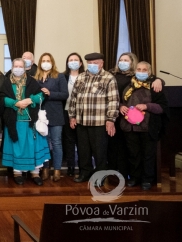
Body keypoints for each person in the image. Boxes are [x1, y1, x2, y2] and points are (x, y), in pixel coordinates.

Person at [108, 52, 163, 180]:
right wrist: (120, 106)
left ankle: (145, 179)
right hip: (123, 122)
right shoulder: (119, 79)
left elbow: (161, 104)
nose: (122, 62)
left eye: (126, 60)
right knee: (128, 152)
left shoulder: (146, 82)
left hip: (145, 125)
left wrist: (160, 80)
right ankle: (130, 177)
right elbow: (118, 98)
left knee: (145, 153)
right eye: (121, 60)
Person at [68, 52, 119, 184]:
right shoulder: (80, 77)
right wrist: (72, 116)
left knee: (100, 152)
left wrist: (110, 120)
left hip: (99, 122)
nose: (92, 65)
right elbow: (73, 99)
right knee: (83, 150)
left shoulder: (108, 78)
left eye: (95, 63)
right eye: (90, 63)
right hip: (82, 121)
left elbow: (113, 101)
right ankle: (85, 173)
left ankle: (100, 176)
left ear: (101, 63)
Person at [119, 61, 168, 190]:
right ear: (135, 71)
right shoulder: (127, 86)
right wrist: (121, 107)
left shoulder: (155, 87)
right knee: (133, 154)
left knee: (148, 154)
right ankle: (135, 177)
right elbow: (121, 101)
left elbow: (162, 107)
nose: (141, 71)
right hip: (129, 127)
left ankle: (147, 179)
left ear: (149, 72)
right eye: (138, 69)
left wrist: (147, 106)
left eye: (144, 69)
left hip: (148, 127)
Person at [1, 58, 50, 186]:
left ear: (25, 67)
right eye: (15, 66)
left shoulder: (32, 81)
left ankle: (35, 173)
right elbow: (1, 99)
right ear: (12, 67)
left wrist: (30, 100)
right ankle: (17, 173)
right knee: (16, 147)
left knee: (32, 146)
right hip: (14, 121)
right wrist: (15, 103)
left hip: (30, 121)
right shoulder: (6, 82)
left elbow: (41, 95)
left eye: (20, 66)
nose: (18, 68)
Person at [35, 53, 68, 182]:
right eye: (43, 60)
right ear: (40, 63)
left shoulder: (59, 76)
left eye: (48, 60)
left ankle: (57, 170)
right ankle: (45, 169)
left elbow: (65, 94)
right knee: (44, 144)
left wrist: (50, 93)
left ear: (52, 62)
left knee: (56, 143)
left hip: (56, 114)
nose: (45, 63)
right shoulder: (36, 77)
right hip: (41, 115)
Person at [62, 53, 84, 177]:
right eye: (71, 60)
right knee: (69, 140)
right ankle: (70, 166)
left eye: (76, 60)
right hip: (65, 112)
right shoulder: (63, 77)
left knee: (81, 141)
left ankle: (82, 166)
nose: (73, 62)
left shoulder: (86, 76)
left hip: (82, 113)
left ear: (81, 63)